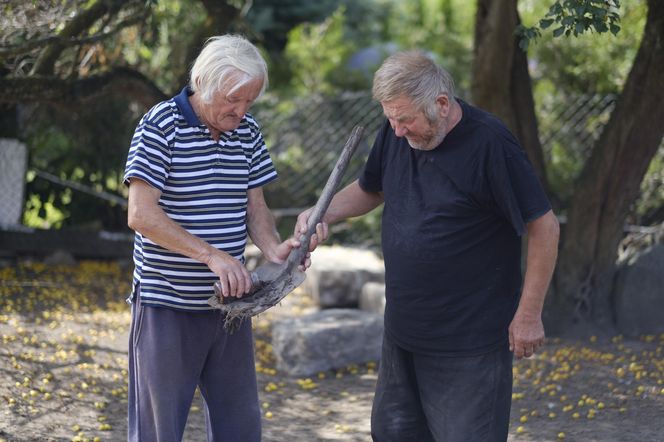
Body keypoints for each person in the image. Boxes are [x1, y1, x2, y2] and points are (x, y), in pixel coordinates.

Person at [295, 50, 560, 442]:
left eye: (405, 120)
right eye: (391, 119)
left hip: (468, 343)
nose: (398, 131)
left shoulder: (491, 144)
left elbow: (545, 227)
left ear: (440, 103)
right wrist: (322, 213)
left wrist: (528, 315)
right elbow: (372, 188)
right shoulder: (396, 132)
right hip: (403, 333)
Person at [124, 34, 307, 442]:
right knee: (158, 432)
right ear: (203, 81)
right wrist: (212, 256)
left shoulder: (247, 130)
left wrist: (274, 249)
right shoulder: (160, 125)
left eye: (250, 102)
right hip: (166, 305)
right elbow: (140, 214)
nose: (241, 112)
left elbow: (255, 206)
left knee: (240, 427)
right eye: (233, 100)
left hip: (230, 307)